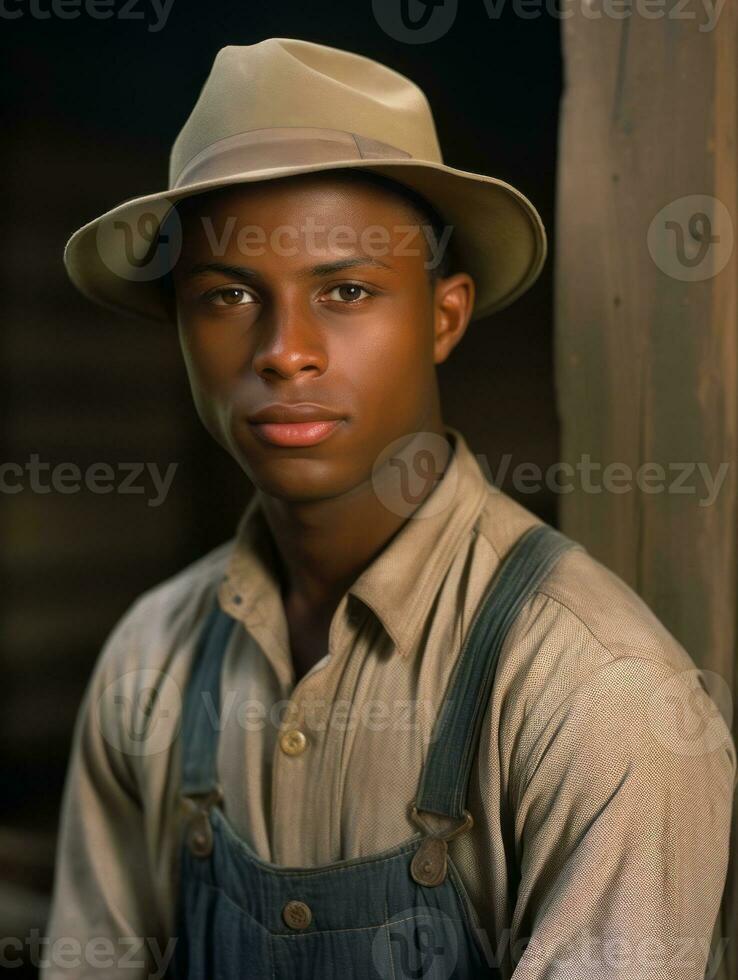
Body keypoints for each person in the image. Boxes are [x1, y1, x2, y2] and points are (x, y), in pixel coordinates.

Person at [45, 37, 735, 980]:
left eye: (347, 290)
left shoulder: (602, 698)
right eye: (229, 293)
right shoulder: (148, 662)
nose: (285, 350)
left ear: (444, 317)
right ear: (180, 329)